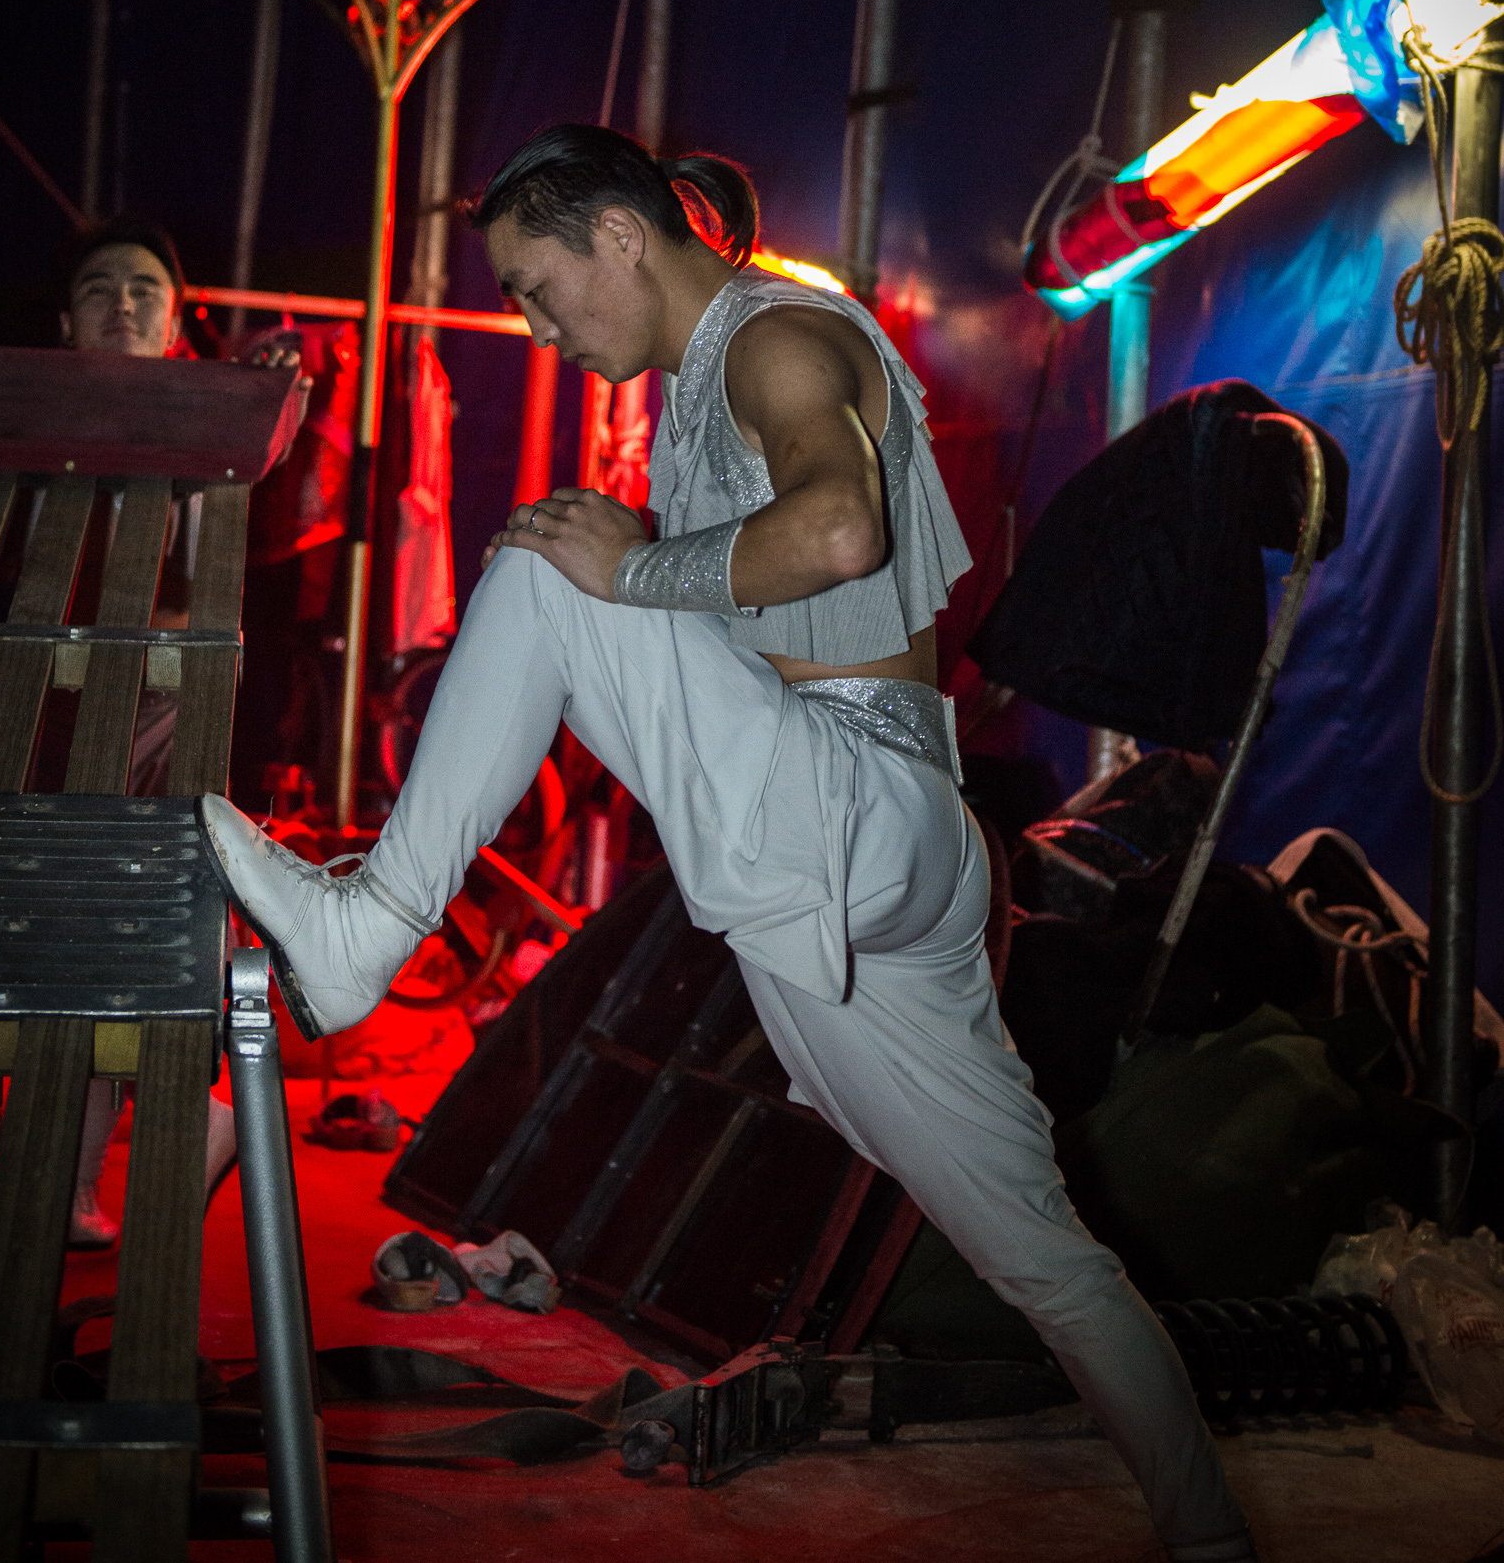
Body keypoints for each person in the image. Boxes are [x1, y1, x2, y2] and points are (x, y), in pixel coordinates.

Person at [197, 125, 1256, 1563]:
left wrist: (631, 565)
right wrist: (636, 575)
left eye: (535, 286)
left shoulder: (776, 335)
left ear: (619, 237)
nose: (536, 326)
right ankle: (1210, 1539)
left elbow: (837, 532)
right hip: (882, 863)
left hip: (860, 803)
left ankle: (369, 925)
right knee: (1046, 1260)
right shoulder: (701, 385)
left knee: (551, 566)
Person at [52, 215, 298, 1246]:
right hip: (56, 705)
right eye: (99, 287)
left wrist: (271, 402)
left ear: (176, 321)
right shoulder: (28, 424)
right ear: (65, 325)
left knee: (142, 914)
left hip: (174, 704)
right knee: (76, 928)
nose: (122, 302)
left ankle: (118, 1153)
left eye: (144, 288)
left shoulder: (217, 422)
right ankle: (98, 1162)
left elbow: (269, 557)